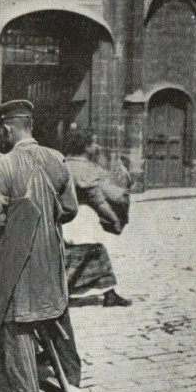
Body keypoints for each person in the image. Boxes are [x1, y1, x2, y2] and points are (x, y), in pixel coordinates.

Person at [0, 99, 90, 392]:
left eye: (3, 131)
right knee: (55, 310)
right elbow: (70, 210)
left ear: (10, 129)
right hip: (52, 255)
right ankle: (73, 382)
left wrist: (17, 223)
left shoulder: (5, 166)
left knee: (13, 317)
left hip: (19, 256)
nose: (3, 137)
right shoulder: (57, 159)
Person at [64, 128, 132, 307]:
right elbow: (98, 200)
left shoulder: (63, 163)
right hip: (80, 222)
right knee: (76, 258)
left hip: (64, 219)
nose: (96, 146)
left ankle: (110, 293)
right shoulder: (84, 169)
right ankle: (58, 294)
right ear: (85, 147)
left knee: (98, 254)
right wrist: (113, 219)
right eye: (93, 143)